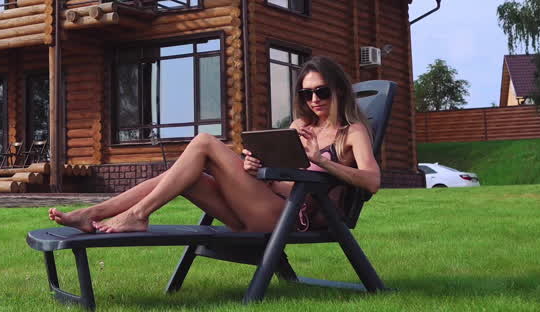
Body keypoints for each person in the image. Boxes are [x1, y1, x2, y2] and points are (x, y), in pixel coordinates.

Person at [47, 56, 380, 234]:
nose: (314, 100)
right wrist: (258, 169)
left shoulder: (352, 133)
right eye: (306, 94)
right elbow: (283, 179)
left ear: (338, 90)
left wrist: (321, 162)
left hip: (292, 219)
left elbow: (372, 181)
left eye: (321, 91)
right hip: (265, 206)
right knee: (181, 176)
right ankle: (93, 213)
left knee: (204, 142)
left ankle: (136, 214)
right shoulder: (300, 126)